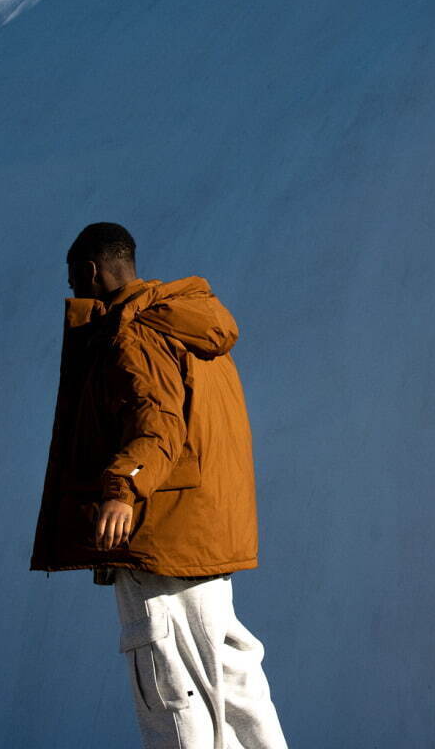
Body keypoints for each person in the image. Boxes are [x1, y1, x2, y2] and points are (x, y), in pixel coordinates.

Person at [30, 222, 289, 749]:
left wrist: (121, 487)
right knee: (226, 666)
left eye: (74, 278)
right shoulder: (187, 327)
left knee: (168, 676)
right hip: (202, 528)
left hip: (161, 534)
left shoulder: (133, 333)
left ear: (90, 271)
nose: (75, 289)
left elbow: (159, 423)